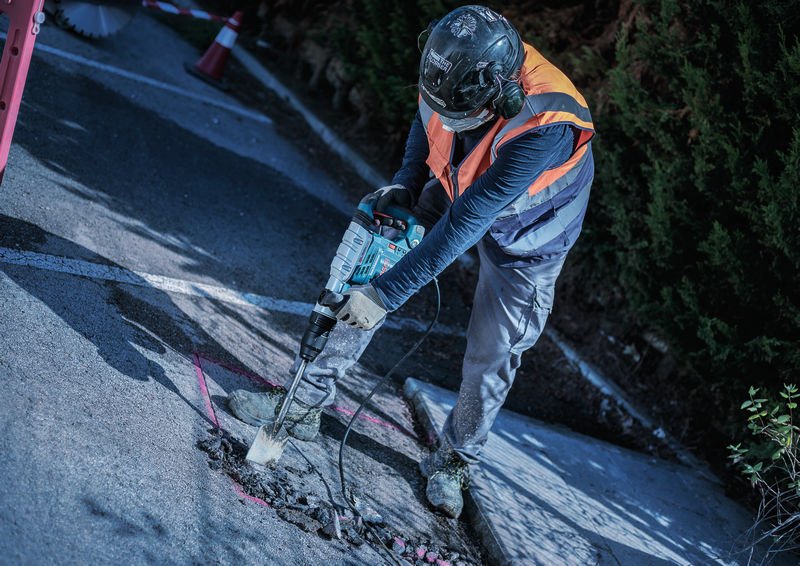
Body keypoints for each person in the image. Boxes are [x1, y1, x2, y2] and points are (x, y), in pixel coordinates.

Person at [228, 4, 595, 519]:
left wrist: (385, 295)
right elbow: (427, 129)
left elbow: (468, 221)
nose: (451, 121)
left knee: (495, 347)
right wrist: (405, 184)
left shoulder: (545, 123)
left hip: (529, 237)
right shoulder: (448, 66)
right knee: (372, 263)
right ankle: (302, 405)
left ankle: (454, 459)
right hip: (460, 184)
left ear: (502, 94)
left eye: (463, 115)